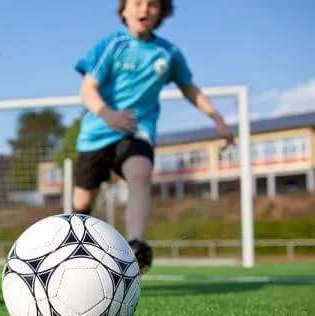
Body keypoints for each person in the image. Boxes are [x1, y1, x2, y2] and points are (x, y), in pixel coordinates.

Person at [72, 0, 233, 274]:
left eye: (152, 5)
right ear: (123, 10)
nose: (143, 9)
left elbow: (189, 89)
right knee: (82, 203)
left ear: (161, 12)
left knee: (140, 172)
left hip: (138, 129)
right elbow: (87, 90)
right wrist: (109, 114)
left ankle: (134, 246)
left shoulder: (168, 53)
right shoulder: (112, 45)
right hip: (97, 132)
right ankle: (74, 250)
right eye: (136, 3)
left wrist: (217, 118)